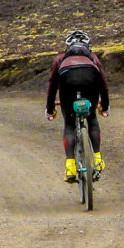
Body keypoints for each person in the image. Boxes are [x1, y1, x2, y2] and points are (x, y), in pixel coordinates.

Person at [46, 29, 110, 182]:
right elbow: (103, 84)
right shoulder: (93, 58)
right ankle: (98, 159)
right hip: (90, 82)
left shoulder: (60, 59)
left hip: (67, 84)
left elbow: (52, 86)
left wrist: (50, 109)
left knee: (69, 124)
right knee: (92, 118)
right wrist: (105, 106)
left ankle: (70, 167)